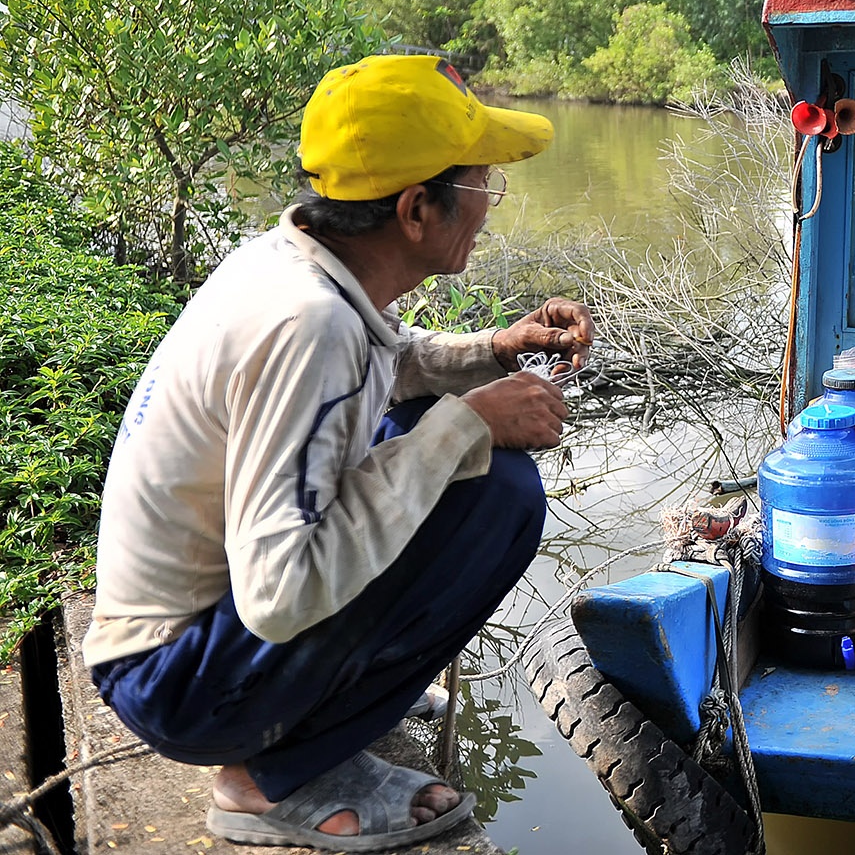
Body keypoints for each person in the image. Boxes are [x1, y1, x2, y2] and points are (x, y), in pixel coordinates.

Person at [82, 55, 593, 851]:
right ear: (418, 208)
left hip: (187, 647)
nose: (489, 205)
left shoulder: (297, 270)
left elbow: (384, 362)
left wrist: (496, 349)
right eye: (482, 184)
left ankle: (327, 699)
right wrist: (467, 425)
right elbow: (280, 594)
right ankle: (262, 781)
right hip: (181, 683)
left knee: (446, 442)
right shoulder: (307, 325)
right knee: (499, 496)